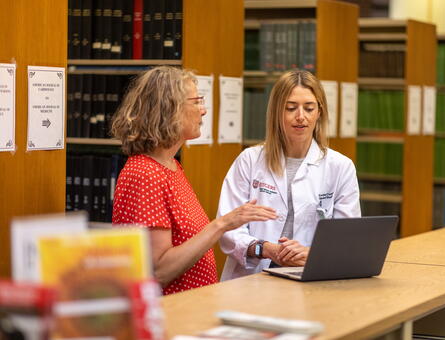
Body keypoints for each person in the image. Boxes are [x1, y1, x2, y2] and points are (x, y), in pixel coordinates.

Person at [111, 66, 276, 295]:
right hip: (170, 315)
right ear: (169, 109)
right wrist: (222, 224)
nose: (204, 111)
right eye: (197, 101)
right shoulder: (144, 175)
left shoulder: (171, 167)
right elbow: (159, 271)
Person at [218, 70, 361, 281]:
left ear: (319, 112)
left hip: (311, 275)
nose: (301, 116)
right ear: (277, 111)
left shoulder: (340, 166)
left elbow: (347, 237)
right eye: (291, 108)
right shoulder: (249, 160)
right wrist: (267, 249)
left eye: (309, 108)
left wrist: (311, 253)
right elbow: (228, 229)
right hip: (252, 279)